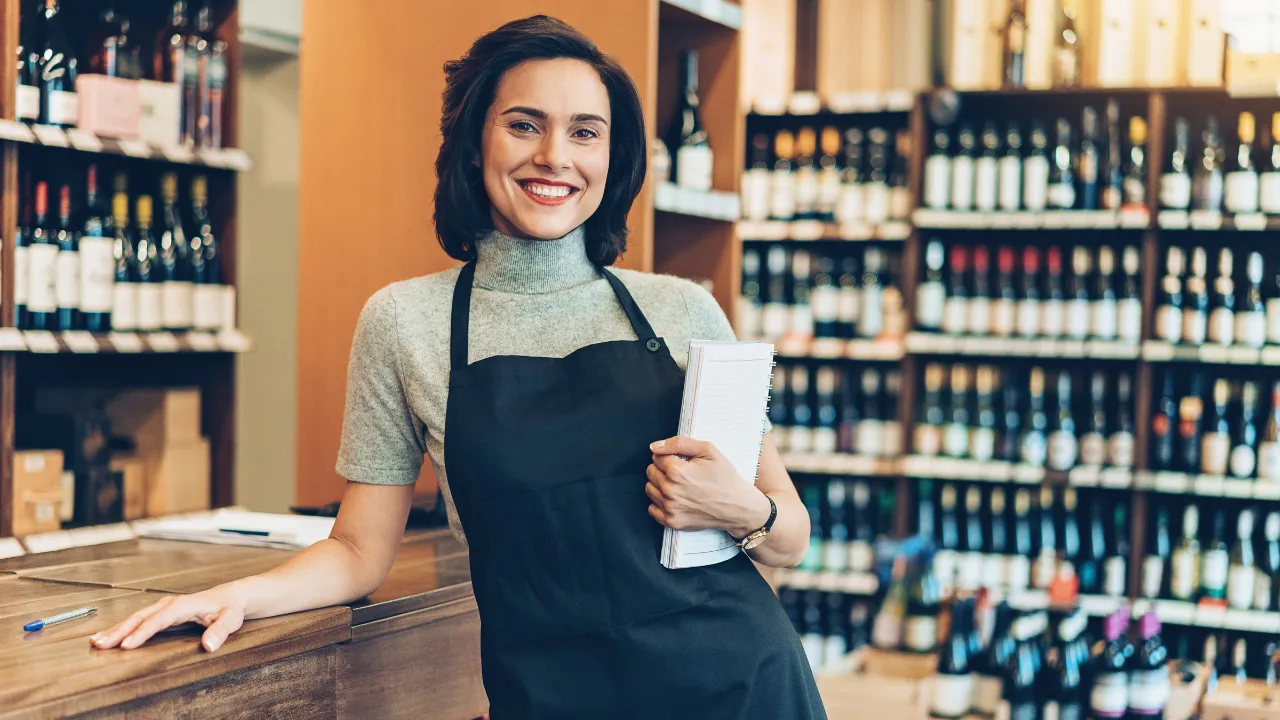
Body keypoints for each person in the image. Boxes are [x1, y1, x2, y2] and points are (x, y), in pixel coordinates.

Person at [92, 15, 826, 718]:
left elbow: (790, 534)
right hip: (553, 696)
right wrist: (243, 595)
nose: (555, 158)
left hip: (739, 687)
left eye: (585, 133)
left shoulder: (680, 311)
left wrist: (743, 510)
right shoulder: (404, 323)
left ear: (613, 155)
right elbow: (357, 550)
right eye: (524, 124)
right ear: (475, 141)